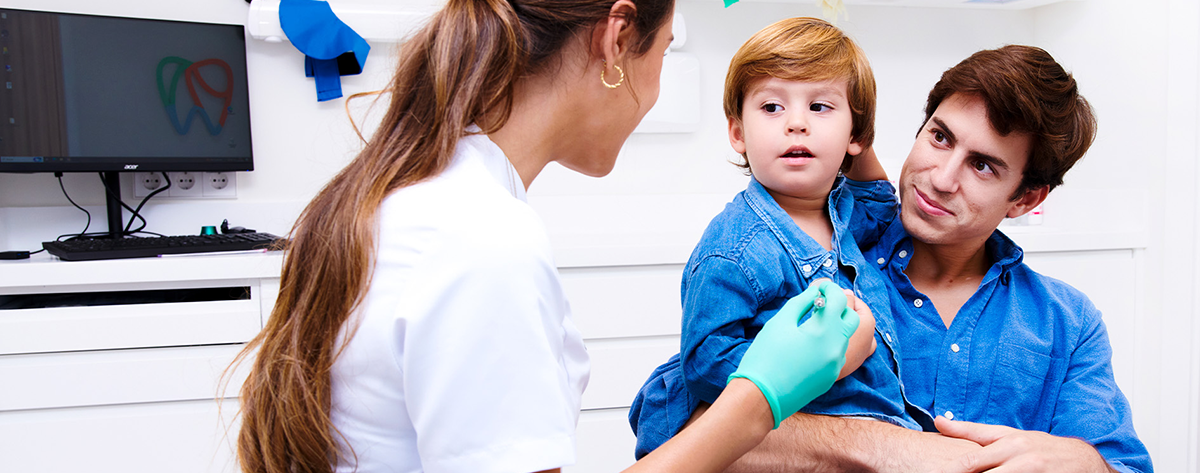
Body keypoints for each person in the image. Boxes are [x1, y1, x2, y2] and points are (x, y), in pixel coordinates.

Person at [228, 1, 862, 472]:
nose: (657, 87)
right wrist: (759, 399)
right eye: (662, 51)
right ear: (617, 41)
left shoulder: (424, 196)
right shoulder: (480, 241)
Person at [691, 45, 1153, 472]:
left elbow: (1125, 465)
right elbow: (681, 419)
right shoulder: (811, 263)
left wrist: (1084, 461)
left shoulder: (1068, 323)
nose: (941, 178)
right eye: (940, 137)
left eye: (982, 165)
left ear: (1025, 199)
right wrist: (890, 448)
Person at [628, 17, 926, 459]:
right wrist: (833, 362)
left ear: (857, 136)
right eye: (771, 107)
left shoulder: (847, 213)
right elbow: (705, 364)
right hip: (795, 450)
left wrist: (856, 139)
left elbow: (883, 202)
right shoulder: (734, 249)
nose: (796, 124)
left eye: (820, 107)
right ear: (737, 133)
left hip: (877, 433)